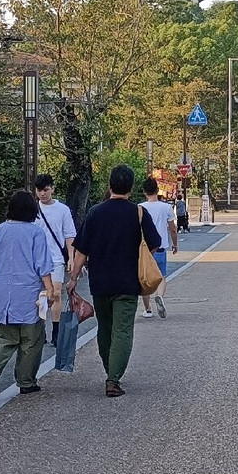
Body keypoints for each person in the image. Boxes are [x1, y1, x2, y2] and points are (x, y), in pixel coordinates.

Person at [68, 165, 161, 398]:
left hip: (100, 282)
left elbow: (81, 251)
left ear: (110, 185)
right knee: (122, 331)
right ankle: (113, 379)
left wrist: (73, 278)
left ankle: (111, 371)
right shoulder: (138, 213)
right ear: (131, 188)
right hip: (127, 281)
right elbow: (155, 243)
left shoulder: (95, 213)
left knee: (106, 328)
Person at [0, 190, 55, 397]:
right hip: (29, 292)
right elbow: (42, 264)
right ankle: (26, 381)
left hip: (1, 290)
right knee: (31, 339)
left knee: (4, 336)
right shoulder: (35, 232)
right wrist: (50, 289)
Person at [34, 173, 76, 346]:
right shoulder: (32, 209)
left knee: (56, 293)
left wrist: (71, 258)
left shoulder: (63, 210)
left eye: (45, 190)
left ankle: (56, 331)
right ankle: (41, 329)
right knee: (42, 294)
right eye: (39, 190)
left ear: (52, 189)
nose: (42, 194)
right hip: (36, 258)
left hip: (56, 258)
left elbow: (70, 235)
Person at [139, 178, 177, 319]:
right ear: (157, 190)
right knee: (161, 276)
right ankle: (159, 296)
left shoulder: (139, 207)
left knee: (144, 279)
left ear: (144, 192)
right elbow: (172, 229)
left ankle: (147, 309)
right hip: (160, 247)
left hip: (144, 249)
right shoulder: (166, 207)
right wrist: (175, 244)